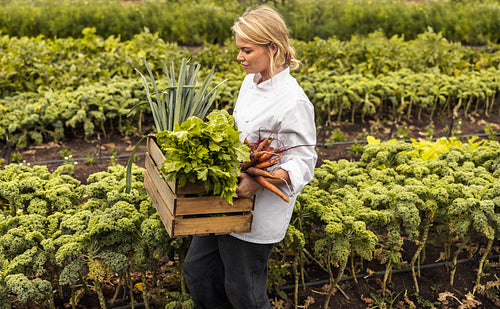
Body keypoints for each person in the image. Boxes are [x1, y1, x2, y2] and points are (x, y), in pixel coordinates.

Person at [182, 5, 317, 308]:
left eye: (246, 50)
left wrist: (259, 181)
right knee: (198, 270)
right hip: (225, 200)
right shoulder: (250, 82)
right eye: (239, 49)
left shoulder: (293, 101)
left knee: (244, 292)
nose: (239, 57)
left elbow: (304, 161)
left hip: (257, 211)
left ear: (272, 47)